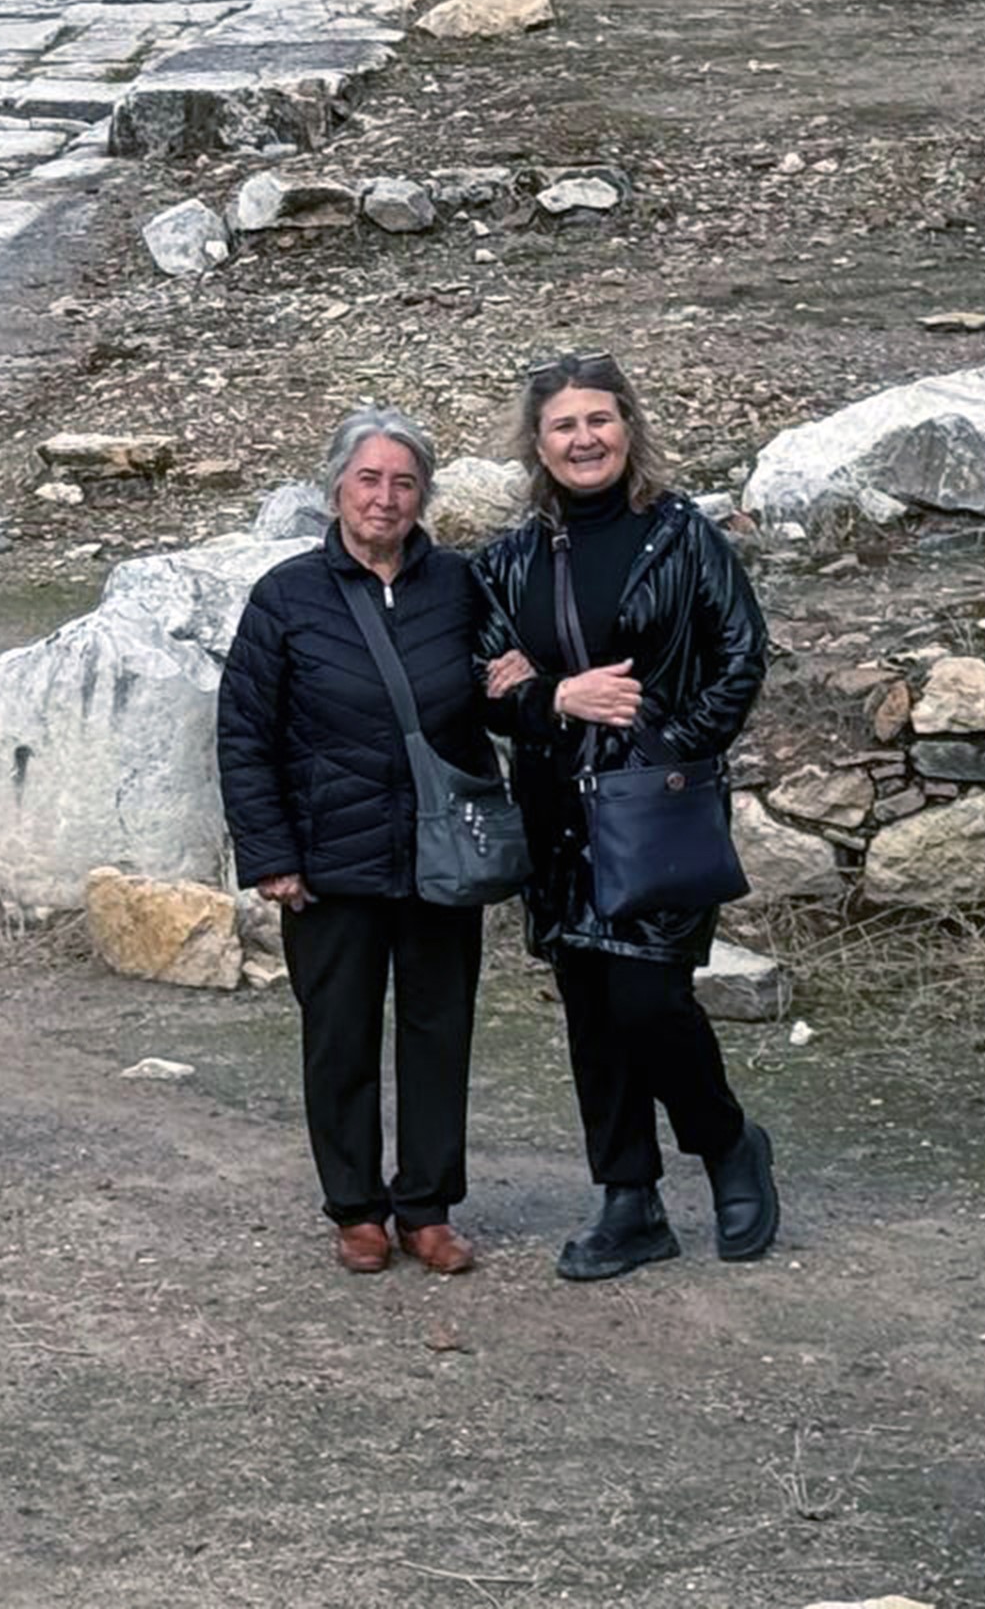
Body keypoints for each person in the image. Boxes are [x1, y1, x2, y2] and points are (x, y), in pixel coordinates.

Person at [476, 352, 778, 1282]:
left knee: (649, 995)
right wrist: (557, 699)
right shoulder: (509, 558)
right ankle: (628, 1199)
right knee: (589, 1007)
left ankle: (727, 1142)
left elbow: (741, 653)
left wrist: (663, 743)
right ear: (538, 443)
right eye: (564, 425)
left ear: (629, 428)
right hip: (557, 811)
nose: (584, 438)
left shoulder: (685, 538)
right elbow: (488, 681)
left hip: (657, 808)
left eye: (599, 420)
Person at [217, 407, 496, 1277]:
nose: (385, 498)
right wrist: (270, 855)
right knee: (338, 1036)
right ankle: (355, 1208)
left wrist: (528, 686)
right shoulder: (288, 596)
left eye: (403, 482)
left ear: (424, 496)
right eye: (369, 479)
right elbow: (244, 733)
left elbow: (495, 688)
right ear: (336, 486)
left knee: (438, 1029)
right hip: (327, 861)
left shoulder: (458, 585)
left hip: (437, 854)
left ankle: (426, 1207)